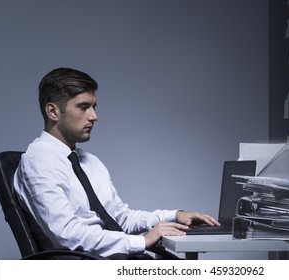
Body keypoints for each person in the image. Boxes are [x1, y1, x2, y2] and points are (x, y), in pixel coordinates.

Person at [14, 67, 219, 259]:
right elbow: (66, 234)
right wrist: (142, 241)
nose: (94, 116)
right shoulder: (39, 161)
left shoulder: (89, 162)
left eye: (94, 107)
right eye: (83, 107)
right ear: (53, 112)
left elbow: (121, 220)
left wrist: (174, 216)